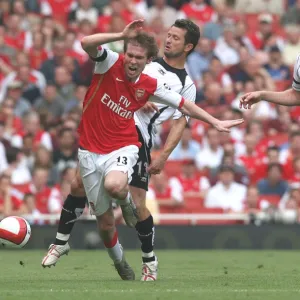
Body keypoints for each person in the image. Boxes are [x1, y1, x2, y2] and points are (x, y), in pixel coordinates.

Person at [41, 19, 243, 280]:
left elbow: (182, 119)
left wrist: (165, 155)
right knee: (81, 188)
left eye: (175, 37)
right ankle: (79, 245)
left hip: (137, 137)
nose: (168, 40)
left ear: (188, 46)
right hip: (106, 129)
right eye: (168, 35)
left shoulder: (185, 84)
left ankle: (149, 259)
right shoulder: (143, 62)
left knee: (137, 206)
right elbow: (124, 79)